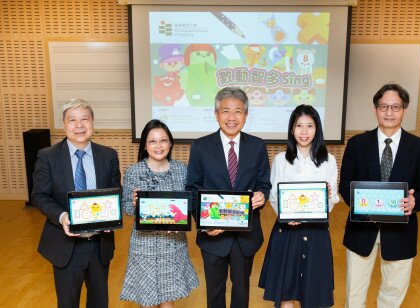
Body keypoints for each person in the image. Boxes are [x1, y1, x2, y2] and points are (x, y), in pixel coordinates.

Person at [339, 83, 420, 308]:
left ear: (404, 111)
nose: (389, 112)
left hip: (401, 230)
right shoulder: (357, 144)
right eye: (384, 107)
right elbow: (344, 184)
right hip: (361, 228)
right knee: (354, 291)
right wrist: (359, 203)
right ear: (375, 110)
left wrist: (415, 201)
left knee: (393, 292)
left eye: (395, 107)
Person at [186, 87, 271, 308]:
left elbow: (264, 184)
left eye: (238, 112)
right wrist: (204, 225)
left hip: (246, 236)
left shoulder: (258, 146)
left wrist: (262, 195)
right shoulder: (200, 147)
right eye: (225, 111)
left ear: (246, 116)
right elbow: (193, 188)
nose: (231, 118)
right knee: (214, 292)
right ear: (216, 115)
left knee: (241, 291)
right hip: (213, 236)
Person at [31, 98, 121, 308]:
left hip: (99, 244)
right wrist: (62, 217)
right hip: (65, 245)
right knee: (68, 303)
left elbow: (115, 192)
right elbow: (39, 196)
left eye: (84, 119)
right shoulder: (48, 156)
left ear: (92, 123)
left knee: (99, 302)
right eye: (72, 120)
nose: (79, 125)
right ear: (64, 125)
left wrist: (111, 217)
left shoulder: (108, 155)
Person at [259, 104, 339, 308]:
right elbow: (274, 196)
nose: (304, 132)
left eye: (310, 126)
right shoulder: (280, 160)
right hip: (287, 231)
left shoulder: (328, 160)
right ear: (291, 129)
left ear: (317, 129)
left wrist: (327, 198)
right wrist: (286, 216)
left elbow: (334, 198)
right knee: (286, 290)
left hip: (317, 231)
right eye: (299, 126)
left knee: (314, 291)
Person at [119, 119, 199, 308]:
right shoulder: (133, 171)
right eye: (152, 141)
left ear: (170, 143)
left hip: (172, 244)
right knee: (147, 299)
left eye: (163, 140)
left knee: (167, 297)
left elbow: (188, 205)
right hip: (143, 245)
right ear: (145, 146)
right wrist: (134, 202)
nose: (158, 146)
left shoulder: (182, 170)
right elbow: (127, 209)